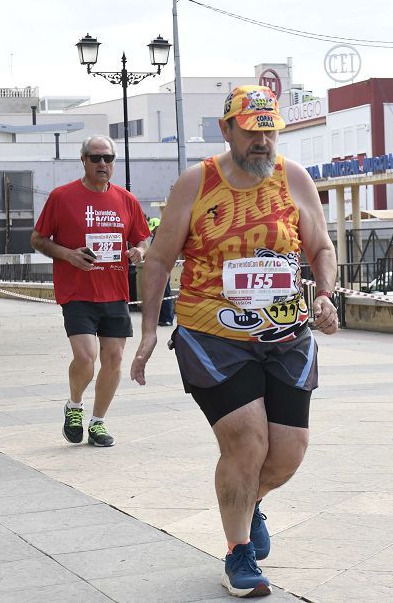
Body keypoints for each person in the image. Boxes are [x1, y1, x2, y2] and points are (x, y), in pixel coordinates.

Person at [130, 85, 339, 598]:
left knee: (288, 451)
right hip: (212, 332)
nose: (262, 142)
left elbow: (321, 245)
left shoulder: (294, 178)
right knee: (248, 438)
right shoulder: (195, 183)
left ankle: (251, 501)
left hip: (285, 331)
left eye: (269, 131)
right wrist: (149, 333)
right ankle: (238, 553)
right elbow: (157, 260)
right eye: (251, 131)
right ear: (227, 130)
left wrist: (328, 295)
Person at [30, 135, 151, 448]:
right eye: (95, 158)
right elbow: (38, 239)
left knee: (114, 359)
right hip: (77, 292)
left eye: (108, 159)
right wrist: (69, 254)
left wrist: (139, 251)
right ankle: (74, 406)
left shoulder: (127, 200)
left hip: (114, 291)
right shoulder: (62, 196)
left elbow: (143, 240)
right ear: (83, 160)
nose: (102, 164)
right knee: (86, 358)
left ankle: (98, 422)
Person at [148, 218, 175, 326]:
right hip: (158, 268)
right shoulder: (157, 237)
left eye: (154, 228)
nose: (153, 231)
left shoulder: (164, 238)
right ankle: (162, 318)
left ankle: (167, 318)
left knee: (165, 292)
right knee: (160, 293)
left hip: (163, 268)